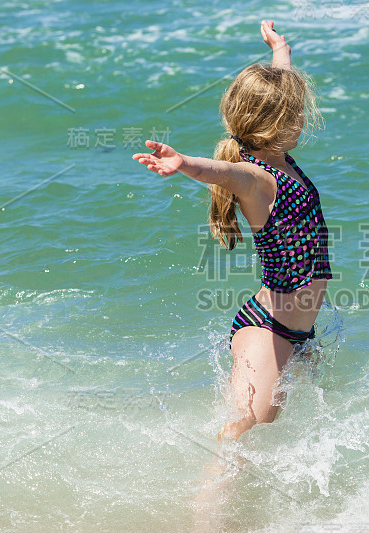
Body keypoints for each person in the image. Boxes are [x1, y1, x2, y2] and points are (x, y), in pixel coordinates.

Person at [132, 20, 332, 442]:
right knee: (237, 432)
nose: (303, 120)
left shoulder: (277, 156)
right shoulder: (256, 177)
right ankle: (206, 509)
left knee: (286, 435)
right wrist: (184, 163)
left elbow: (284, 86)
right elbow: (220, 172)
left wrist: (281, 49)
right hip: (269, 328)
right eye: (296, 114)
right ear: (275, 124)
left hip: (296, 332)